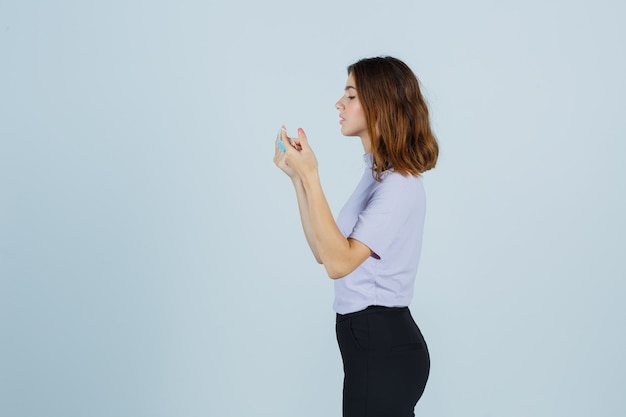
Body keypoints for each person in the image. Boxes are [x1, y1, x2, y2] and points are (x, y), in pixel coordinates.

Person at [273, 56, 439, 417]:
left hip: (383, 345)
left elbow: (338, 264)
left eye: (350, 95)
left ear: (379, 103)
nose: (339, 103)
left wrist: (313, 175)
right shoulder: (377, 175)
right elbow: (324, 251)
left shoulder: (398, 185)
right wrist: (299, 180)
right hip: (370, 343)